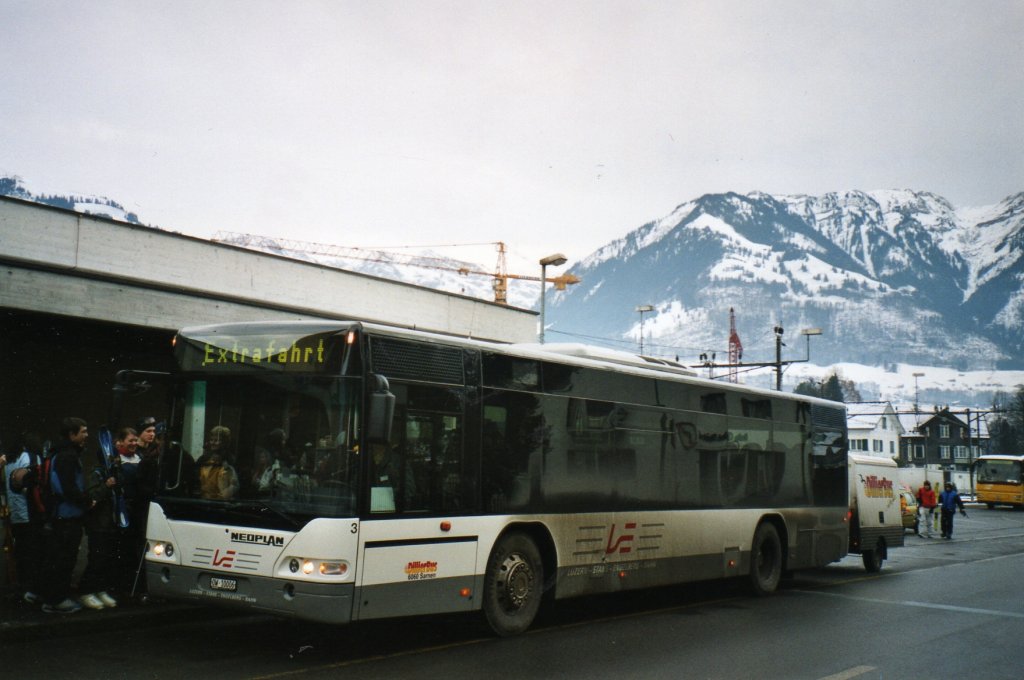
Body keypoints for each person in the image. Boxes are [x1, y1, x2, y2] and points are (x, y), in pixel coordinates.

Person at [40, 417, 93, 614]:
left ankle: (52, 598)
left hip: (60, 515)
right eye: (83, 431)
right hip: (67, 516)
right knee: (64, 559)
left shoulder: (58, 453)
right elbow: (68, 488)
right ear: (72, 435)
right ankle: (57, 600)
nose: (87, 435)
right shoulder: (67, 456)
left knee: (57, 559)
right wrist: (86, 501)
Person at [77, 423, 122, 610]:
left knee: (106, 559)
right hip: (98, 524)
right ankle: (86, 591)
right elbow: (93, 495)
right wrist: (107, 486)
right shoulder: (96, 473)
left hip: (110, 523)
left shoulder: (114, 473)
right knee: (96, 558)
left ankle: (101, 589)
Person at [4, 432, 47, 605]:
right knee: (36, 554)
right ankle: (34, 590)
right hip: (32, 514)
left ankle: (23, 589)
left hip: (16, 516)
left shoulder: (8, 461)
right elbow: (37, 483)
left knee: (22, 554)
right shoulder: (31, 457)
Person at [196, 426, 239, 500]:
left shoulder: (230, 460)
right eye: (211, 440)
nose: (213, 443)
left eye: (217, 440)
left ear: (225, 443)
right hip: (203, 500)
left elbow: (233, 485)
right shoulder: (203, 459)